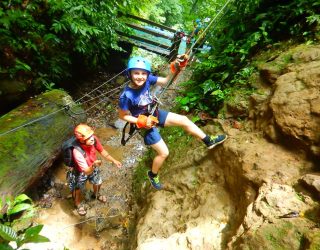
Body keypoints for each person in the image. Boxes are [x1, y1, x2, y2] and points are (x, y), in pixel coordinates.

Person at [118, 56, 227, 190]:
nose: (140, 77)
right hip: (144, 124)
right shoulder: (126, 96)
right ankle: (153, 174)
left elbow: (165, 81)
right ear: (129, 73)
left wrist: (175, 68)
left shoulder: (148, 80)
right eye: (136, 73)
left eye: (143, 73)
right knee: (164, 153)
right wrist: (140, 120)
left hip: (155, 114)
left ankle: (208, 140)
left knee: (184, 120)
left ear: (147, 74)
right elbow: (123, 116)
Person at [68, 123, 122, 216]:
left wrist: (113, 160)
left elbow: (102, 151)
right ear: (82, 140)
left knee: (98, 182)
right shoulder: (77, 151)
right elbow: (85, 171)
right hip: (81, 171)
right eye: (89, 138)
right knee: (78, 189)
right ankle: (78, 204)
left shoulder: (94, 140)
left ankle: (95, 194)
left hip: (93, 165)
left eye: (92, 135)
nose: (92, 138)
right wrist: (93, 165)